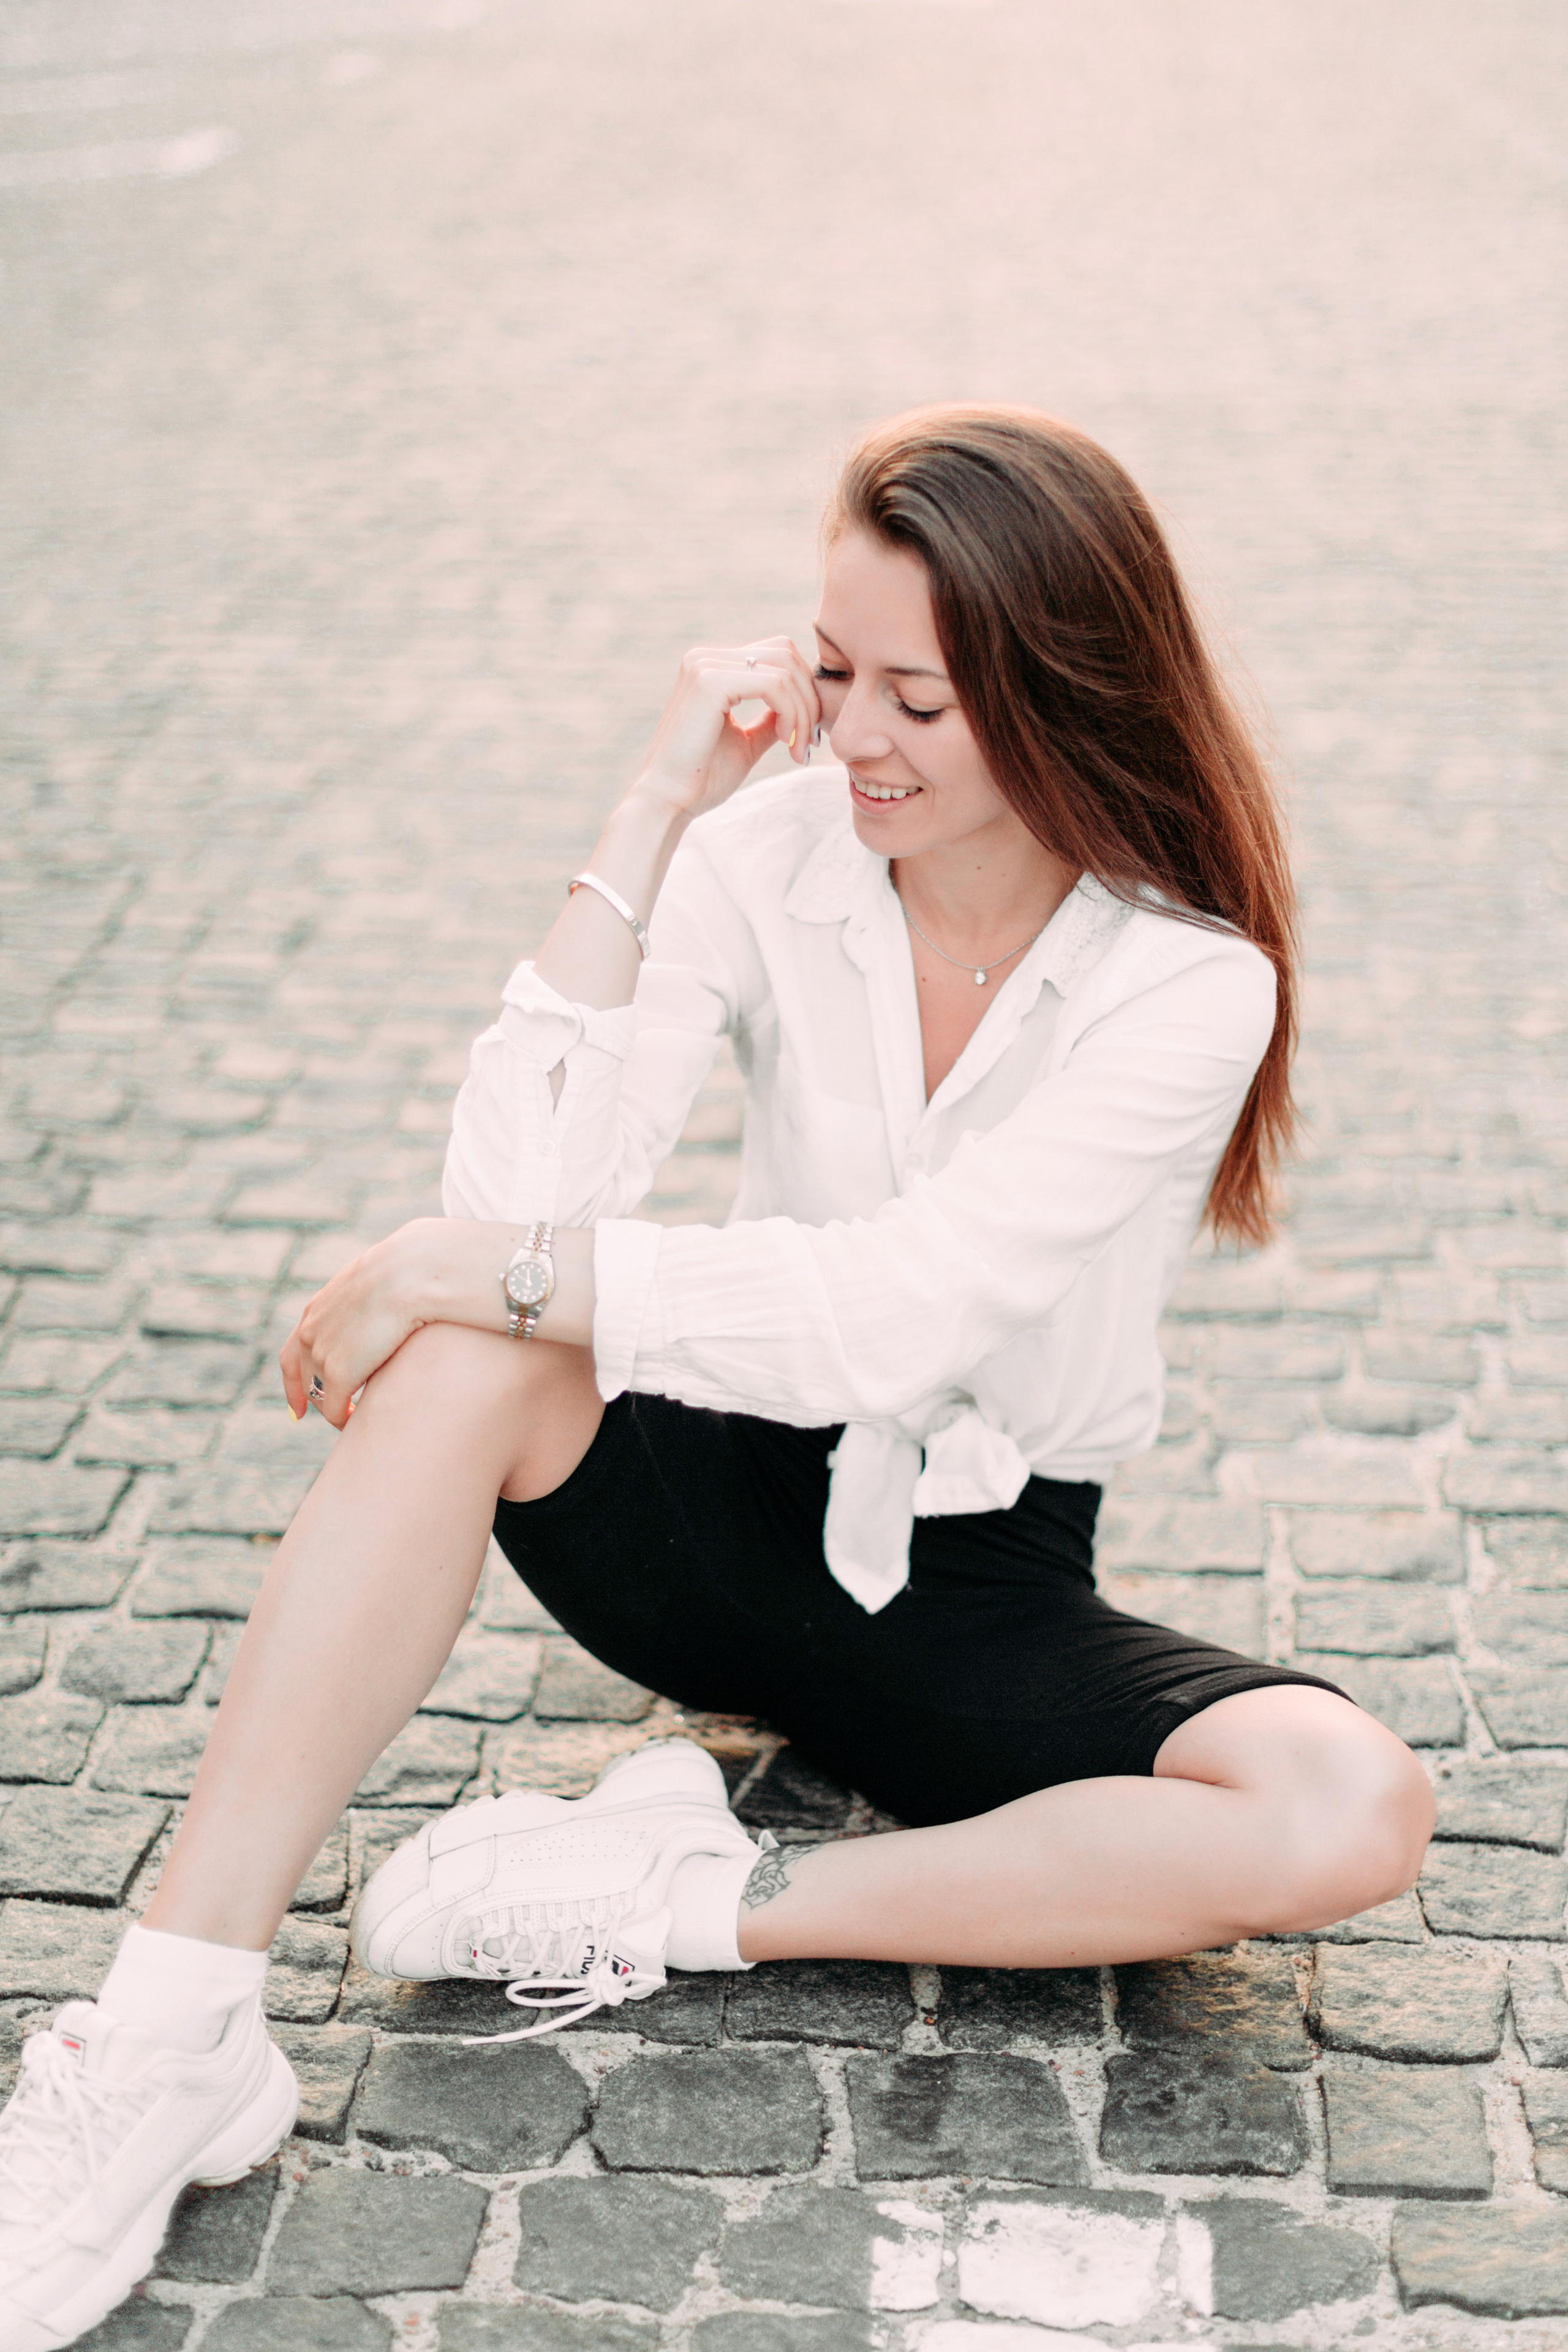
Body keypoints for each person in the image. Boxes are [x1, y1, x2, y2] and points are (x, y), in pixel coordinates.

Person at [0, 405, 1435, 2348]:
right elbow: (520, 1215)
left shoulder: (1188, 981)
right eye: (831, 676)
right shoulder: (773, 855)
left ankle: (680, 1897)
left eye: (918, 702)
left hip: (981, 1589)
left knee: (1350, 1809)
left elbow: (906, 1309)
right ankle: (173, 2029)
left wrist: (493, 1270)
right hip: (718, 1512)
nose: (854, 742)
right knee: (456, 1359)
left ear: (1065, 691)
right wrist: (652, 805)